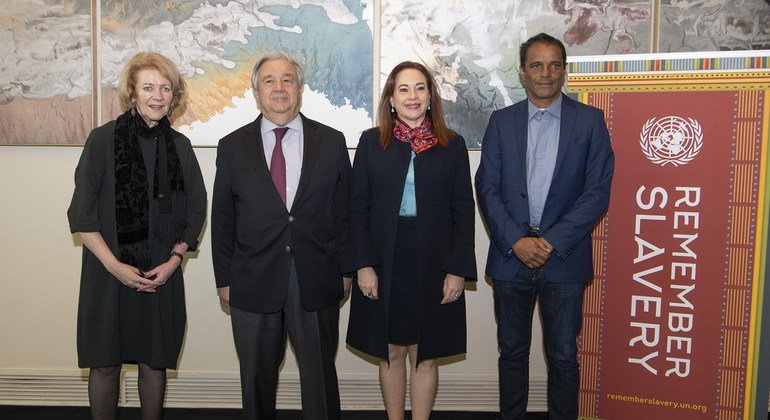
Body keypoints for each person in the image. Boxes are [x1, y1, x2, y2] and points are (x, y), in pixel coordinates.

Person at [475, 33, 614, 420]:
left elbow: (597, 192)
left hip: (564, 260)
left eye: (555, 64)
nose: (546, 73)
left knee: (564, 356)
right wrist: (515, 240)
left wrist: (550, 241)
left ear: (564, 70)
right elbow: (486, 186)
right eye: (536, 65)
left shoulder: (590, 122)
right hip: (510, 257)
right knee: (512, 353)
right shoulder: (501, 122)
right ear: (522, 72)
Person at [211, 51, 351, 420]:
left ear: (300, 89)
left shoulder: (332, 142)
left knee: (319, 379)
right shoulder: (231, 146)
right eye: (269, 81)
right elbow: (223, 218)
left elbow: (345, 213)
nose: (279, 87)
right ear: (256, 92)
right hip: (252, 280)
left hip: (317, 277)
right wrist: (224, 279)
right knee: (255, 381)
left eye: (287, 79)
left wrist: (347, 270)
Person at [67, 51, 207, 420]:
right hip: (107, 272)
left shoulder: (181, 147)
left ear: (173, 95)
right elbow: (81, 215)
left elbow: (195, 211)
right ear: (132, 92)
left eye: (165, 88)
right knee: (105, 365)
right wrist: (116, 267)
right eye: (148, 87)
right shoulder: (101, 140)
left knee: (153, 362)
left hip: (159, 273)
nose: (157, 95)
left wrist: (174, 261)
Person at [344, 61, 477, 420]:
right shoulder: (372, 143)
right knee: (390, 350)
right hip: (384, 259)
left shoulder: (453, 145)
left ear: (431, 97)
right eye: (403, 89)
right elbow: (357, 210)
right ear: (391, 98)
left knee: (426, 351)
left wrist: (456, 271)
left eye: (420, 88)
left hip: (435, 259)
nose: (412, 96)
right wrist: (363, 266)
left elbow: (463, 213)